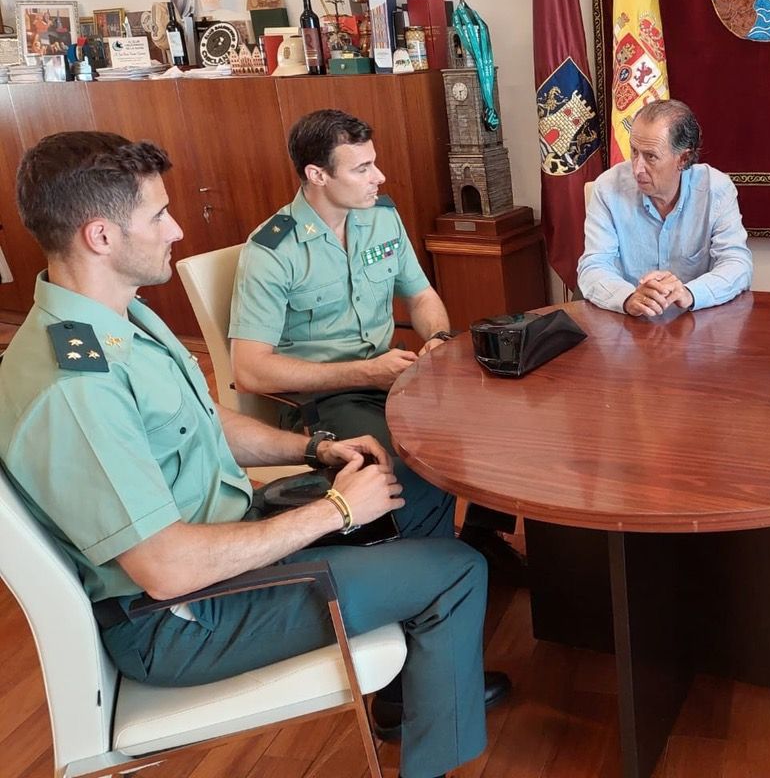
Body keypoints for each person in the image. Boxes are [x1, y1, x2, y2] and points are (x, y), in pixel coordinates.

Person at [0, 131, 492, 778]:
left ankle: (411, 691)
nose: (177, 228)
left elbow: (204, 423)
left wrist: (317, 450)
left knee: (408, 484)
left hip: (223, 539)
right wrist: (335, 510)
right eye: (158, 215)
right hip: (181, 617)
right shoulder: (75, 385)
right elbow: (166, 568)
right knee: (456, 571)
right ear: (100, 236)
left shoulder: (114, 319)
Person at [228, 109, 524, 590]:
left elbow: (422, 296)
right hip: (324, 401)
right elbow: (252, 372)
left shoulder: (380, 216)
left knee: (495, 418)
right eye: (362, 168)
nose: (379, 177)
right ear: (317, 175)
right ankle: (425, 576)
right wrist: (366, 373)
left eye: (375, 163)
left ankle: (479, 540)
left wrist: (436, 338)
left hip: (392, 377)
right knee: (411, 466)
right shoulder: (271, 251)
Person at [578, 98, 752, 317]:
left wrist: (689, 292)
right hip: (629, 326)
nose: (637, 168)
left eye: (650, 156)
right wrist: (628, 297)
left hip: (697, 326)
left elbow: (737, 264)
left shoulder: (715, 189)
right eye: (634, 151)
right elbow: (593, 266)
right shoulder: (608, 188)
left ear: (683, 159)